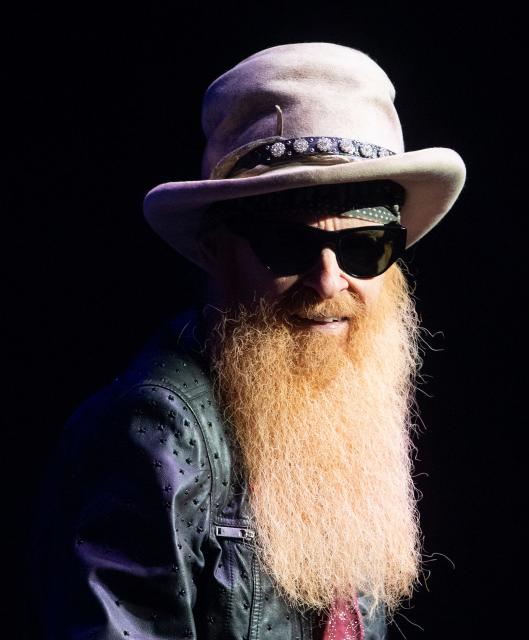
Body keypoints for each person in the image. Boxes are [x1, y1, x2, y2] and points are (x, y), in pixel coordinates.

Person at [33, 42, 466, 640]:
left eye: (365, 248)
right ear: (217, 249)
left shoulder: (348, 402)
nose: (329, 280)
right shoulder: (155, 429)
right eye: (289, 248)